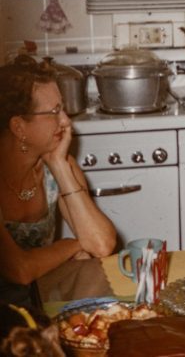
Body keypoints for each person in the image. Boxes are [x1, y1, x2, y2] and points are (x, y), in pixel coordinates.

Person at [0, 56, 116, 310]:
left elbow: (101, 244)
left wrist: (60, 166)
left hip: (41, 302)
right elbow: (18, 269)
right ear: (19, 127)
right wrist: (71, 245)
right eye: (54, 112)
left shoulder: (55, 164)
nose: (66, 121)